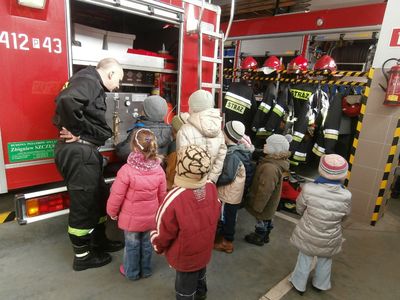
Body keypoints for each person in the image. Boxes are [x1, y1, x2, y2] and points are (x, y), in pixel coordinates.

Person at [53, 58, 124, 271]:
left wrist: (81, 130)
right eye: (118, 79)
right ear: (110, 74)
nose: (118, 85)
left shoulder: (88, 82)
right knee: (83, 204)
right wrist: (78, 130)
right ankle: (82, 257)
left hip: (85, 151)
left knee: (98, 197)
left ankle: (99, 241)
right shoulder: (89, 81)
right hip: (79, 153)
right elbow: (66, 100)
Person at [151, 145, 221, 300]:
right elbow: (216, 214)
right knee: (201, 273)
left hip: (185, 255)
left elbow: (162, 231)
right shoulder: (210, 186)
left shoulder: (174, 197)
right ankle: (201, 294)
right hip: (205, 247)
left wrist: (158, 246)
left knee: (185, 288)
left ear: (181, 167)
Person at [107, 128, 167, 280]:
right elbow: (162, 194)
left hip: (131, 219)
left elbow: (116, 195)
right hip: (150, 217)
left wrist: (112, 212)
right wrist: (160, 214)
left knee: (132, 245)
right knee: (147, 244)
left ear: (133, 147)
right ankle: (146, 271)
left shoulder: (126, 170)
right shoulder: (159, 169)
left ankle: (131, 272)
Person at [289, 154, 351, 295]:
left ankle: (299, 284)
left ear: (321, 170)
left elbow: (299, 208)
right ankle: (320, 284)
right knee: (325, 259)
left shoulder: (309, 188)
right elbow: (345, 215)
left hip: (309, 233)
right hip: (330, 235)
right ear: (343, 174)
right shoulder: (346, 195)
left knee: (305, 258)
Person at [214, 121, 255, 253]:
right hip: (235, 192)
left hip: (229, 194)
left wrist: (214, 180)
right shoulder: (241, 151)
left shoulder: (233, 156)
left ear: (227, 135)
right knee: (229, 216)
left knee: (227, 217)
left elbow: (227, 176)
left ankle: (227, 242)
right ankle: (225, 237)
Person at [244, 134, 291, 246]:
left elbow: (265, 190)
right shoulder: (274, 161)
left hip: (264, 202)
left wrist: (258, 207)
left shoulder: (270, 168)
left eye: (267, 144)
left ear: (275, 148)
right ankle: (265, 235)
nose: (264, 145)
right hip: (270, 202)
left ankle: (259, 236)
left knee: (262, 219)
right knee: (267, 218)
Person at [177, 89, 227, 183]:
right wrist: (211, 179)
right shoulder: (219, 131)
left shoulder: (185, 130)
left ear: (193, 107)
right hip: (210, 182)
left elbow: (181, 159)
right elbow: (221, 158)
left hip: (189, 182)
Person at [116, 95, 173, 162]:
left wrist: (117, 145)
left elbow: (122, 153)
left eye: (143, 108)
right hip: (159, 170)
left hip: (139, 171)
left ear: (146, 112)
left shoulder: (140, 132)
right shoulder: (169, 131)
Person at [165, 112, 189, 190]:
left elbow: (170, 172)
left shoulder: (174, 145)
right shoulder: (188, 141)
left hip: (173, 186)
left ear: (175, 129)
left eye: (172, 126)